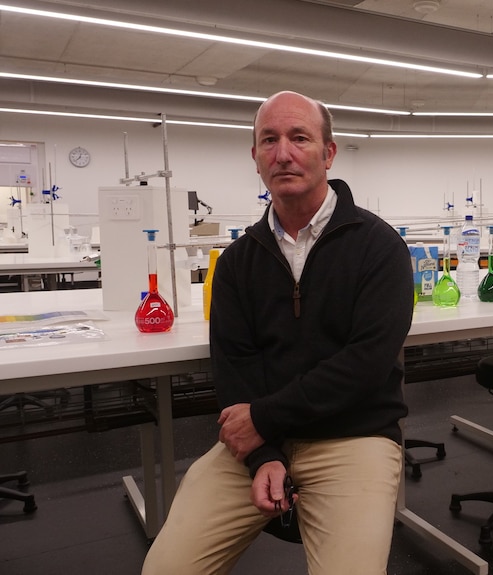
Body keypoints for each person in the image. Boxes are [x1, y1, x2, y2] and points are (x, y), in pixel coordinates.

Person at [142, 91, 415, 574]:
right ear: (255, 158)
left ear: (328, 152)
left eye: (299, 138)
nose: (283, 153)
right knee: (166, 568)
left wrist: (264, 419)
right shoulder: (236, 263)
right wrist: (262, 453)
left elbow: (366, 365)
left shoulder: (379, 247)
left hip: (353, 438)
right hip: (257, 443)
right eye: (269, 140)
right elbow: (234, 367)